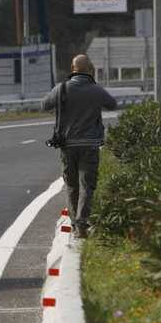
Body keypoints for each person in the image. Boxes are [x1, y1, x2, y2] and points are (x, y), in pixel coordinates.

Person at [42, 54, 117, 238]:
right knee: (87, 185)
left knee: (72, 186)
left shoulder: (62, 89)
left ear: (72, 68)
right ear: (90, 69)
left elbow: (45, 105)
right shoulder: (96, 90)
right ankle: (82, 223)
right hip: (90, 145)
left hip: (67, 145)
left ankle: (76, 225)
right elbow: (112, 105)